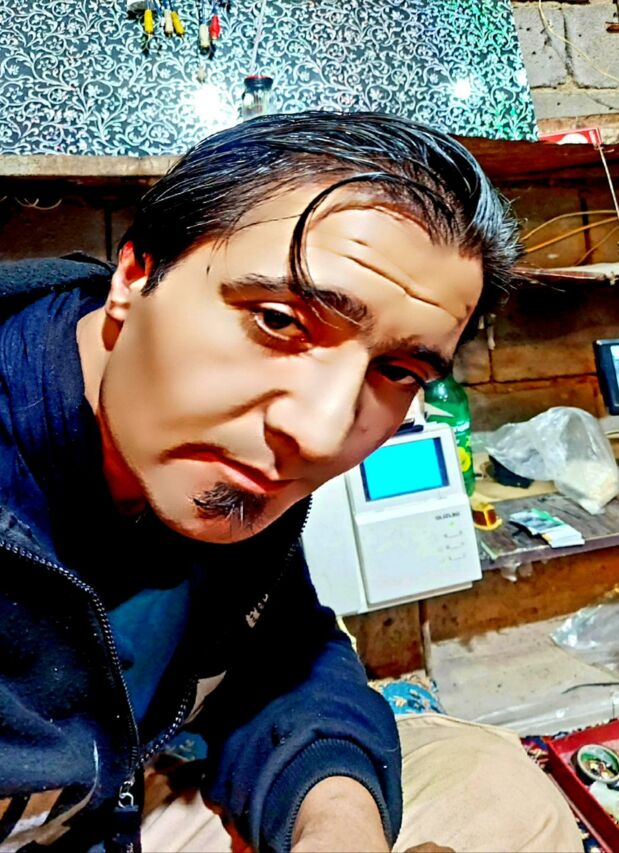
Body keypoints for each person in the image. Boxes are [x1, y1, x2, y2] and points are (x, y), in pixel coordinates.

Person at [0, 111, 581, 853]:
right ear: (135, 277)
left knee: (497, 788)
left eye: (396, 370)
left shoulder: (216, 466)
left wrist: (338, 827)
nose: (321, 433)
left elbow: (278, 649)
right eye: (278, 321)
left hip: (113, 794)